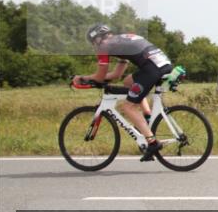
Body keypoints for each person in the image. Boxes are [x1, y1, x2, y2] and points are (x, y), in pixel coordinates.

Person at [73, 24, 173, 161]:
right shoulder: (121, 40)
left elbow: (100, 77)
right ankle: (147, 117)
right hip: (162, 64)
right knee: (128, 82)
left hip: (152, 69)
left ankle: (152, 143)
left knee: (127, 107)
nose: (94, 46)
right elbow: (117, 74)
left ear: (97, 39)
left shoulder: (104, 47)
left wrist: (82, 78)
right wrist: (95, 78)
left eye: (93, 43)